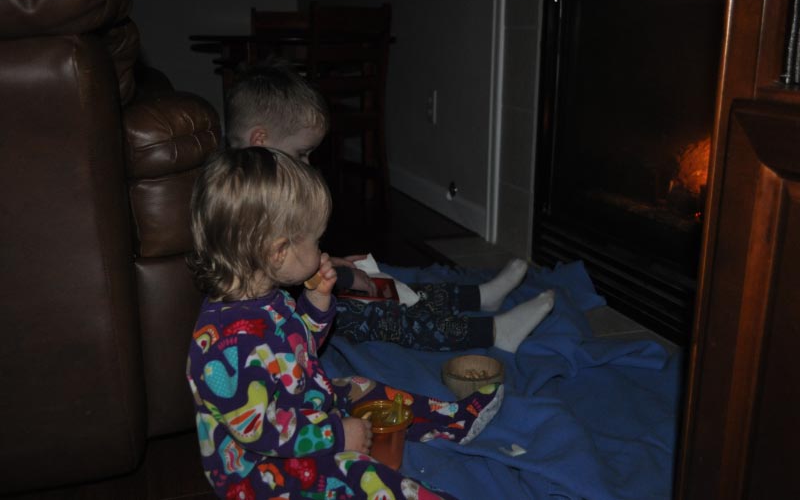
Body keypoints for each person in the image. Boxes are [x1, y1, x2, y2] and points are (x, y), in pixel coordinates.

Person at [186, 147, 503, 499]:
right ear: (278, 252)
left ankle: (450, 420)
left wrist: (316, 304)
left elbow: (297, 353)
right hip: (261, 473)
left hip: (300, 410)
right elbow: (261, 430)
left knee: (358, 386)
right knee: (354, 471)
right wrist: (337, 435)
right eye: (316, 241)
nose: (323, 250)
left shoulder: (265, 297)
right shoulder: (228, 346)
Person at [225, 63, 555, 353]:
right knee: (385, 316)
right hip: (287, 324)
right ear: (260, 141)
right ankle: (494, 333)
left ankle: (480, 297)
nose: (307, 164)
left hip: (302, 294)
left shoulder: (255, 188)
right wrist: (341, 276)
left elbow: (286, 265)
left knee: (392, 288)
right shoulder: (242, 206)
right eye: (301, 153)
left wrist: (331, 264)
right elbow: (271, 272)